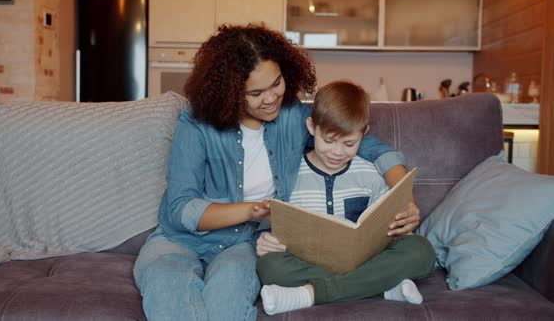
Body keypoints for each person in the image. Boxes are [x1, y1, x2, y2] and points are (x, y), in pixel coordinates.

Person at [133, 24, 419, 321]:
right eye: (255, 93)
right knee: (169, 294)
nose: (271, 98)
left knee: (226, 307)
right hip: (177, 241)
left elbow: (370, 146)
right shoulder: (196, 125)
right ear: (230, 92)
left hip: (242, 244)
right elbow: (182, 209)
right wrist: (253, 210)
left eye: (276, 83)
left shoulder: (293, 117)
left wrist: (404, 199)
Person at [255, 80, 436, 316]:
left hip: (366, 260)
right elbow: (272, 224)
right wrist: (266, 240)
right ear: (311, 127)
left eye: (349, 143)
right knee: (269, 266)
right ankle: (381, 288)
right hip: (311, 262)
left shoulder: (370, 173)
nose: (338, 152)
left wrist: (402, 224)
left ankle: (309, 294)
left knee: (422, 251)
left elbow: (390, 226)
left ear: (364, 134)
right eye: (328, 140)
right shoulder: (290, 175)